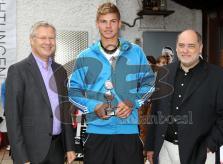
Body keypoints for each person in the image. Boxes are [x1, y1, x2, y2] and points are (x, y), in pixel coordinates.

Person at [68, 2, 155, 164]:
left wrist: (133, 102)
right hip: (97, 133)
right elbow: (73, 92)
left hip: (128, 133)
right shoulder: (85, 56)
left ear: (119, 23)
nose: (108, 26)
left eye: (113, 21)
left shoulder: (135, 52)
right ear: (97, 24)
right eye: (103, 21)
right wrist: (93, 106)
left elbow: (149, 83)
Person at [145, 29, 223, 164]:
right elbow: (156, 111)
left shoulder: (217, 76)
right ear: (176, 48)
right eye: (181, 45)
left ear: (200, 48)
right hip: (165, 150)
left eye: (191, 46)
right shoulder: (164, 72)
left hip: (200, 153)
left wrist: (210, 144)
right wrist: (150, 146)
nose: (185, 50)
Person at [5, 21, 76, 164]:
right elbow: (13, 119)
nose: (48, 42)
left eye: (52, 38)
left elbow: (64, 112)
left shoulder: (60, 71)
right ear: (32, 40)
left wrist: (70, 147)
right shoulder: (18, 71)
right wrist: (21, 158)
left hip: (57, 149)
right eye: (43, 38)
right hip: (30, 153)